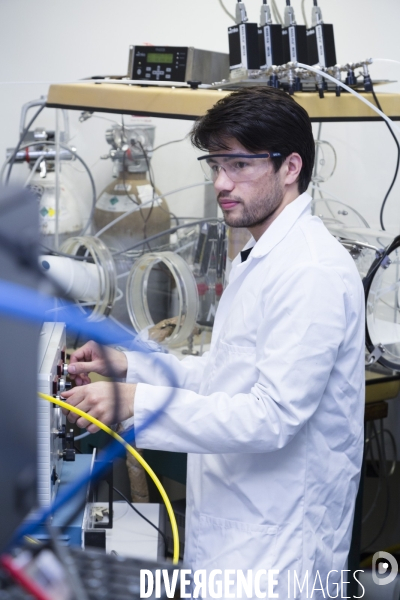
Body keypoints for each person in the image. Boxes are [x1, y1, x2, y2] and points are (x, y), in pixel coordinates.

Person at [63, 87, 365, 598]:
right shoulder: (261, 255)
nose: (222, 183)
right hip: (239, 535)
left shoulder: (311, 270)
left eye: (240, 165)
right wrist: (131, 368)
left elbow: (271, 417)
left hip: (279, 553)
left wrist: (139, 402)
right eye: (216, 164)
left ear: (290, 167)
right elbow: (227, 374)